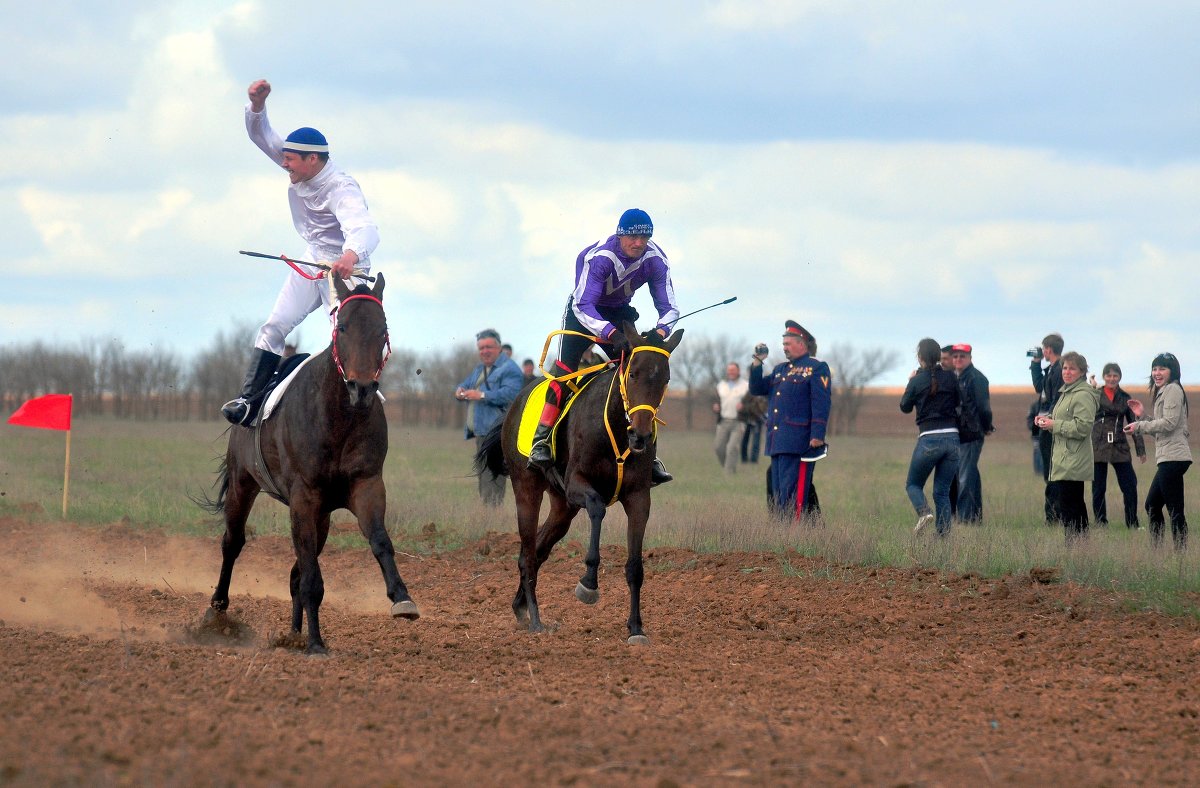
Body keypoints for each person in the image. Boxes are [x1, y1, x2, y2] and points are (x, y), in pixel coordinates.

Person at [221, 78, 380, 425]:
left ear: (313, 159)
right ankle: (249, 402)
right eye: (285, 160)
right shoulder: (299, 162)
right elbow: (261, 136)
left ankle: (360, 402)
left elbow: (364, 228)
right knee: (274, 325)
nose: (285, 166)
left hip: (347, 272)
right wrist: (257, 106)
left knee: (344, 339)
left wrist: (350, 257)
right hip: (312, 261)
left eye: (291, 161)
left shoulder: (342, 187)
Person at [527, 209, 679, 486]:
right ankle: (542, 439)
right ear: (620, 234)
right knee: (563, 372)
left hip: (619, 313)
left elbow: (669, 308)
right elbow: (583, 305)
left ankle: (648, 453)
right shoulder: (601, 259)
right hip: (583, 313)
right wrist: (609, 333)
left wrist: (659, 332)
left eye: (644, 237)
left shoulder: (656, 260)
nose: (639, 243)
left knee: (639, 374)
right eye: (633, 237)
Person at [749, 321, 831, 522]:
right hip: (777, 441)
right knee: (778, 494)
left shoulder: (816, 368)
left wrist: (817, 435)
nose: (784, 347)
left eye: (788, 343)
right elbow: (757, 388)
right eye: (783, 343)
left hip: (798, 441)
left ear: (801, 344)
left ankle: (794, 535)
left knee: (793, 495)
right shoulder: (780, 370)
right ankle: (783, 532)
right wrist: (758, 362)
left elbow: (820, 403)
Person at [1125, 352, 1192, 550]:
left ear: (1173, 371)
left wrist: (1138, 426)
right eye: (1154, 368)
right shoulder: (1166, 391)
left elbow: (1169, 424)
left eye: (1162, 368)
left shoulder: (1172, 389)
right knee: (1153, 505)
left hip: (1173, 457)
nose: (1157, 373)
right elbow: (1161, 431)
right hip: (1169, 457)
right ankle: (1158, 552)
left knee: (1173, 509)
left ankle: (1180, 554)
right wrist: (1142, 416)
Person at [899, 338, 961, 536]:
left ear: (920, 358)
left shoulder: (917, 380)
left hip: (929, 439)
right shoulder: (951, 377)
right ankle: (943, 539)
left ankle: (924, 512)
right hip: (952, 439)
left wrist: (910, 381)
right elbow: (961, 401)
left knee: (913, 485)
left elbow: (905, 407)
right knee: (942, 492)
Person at [1035, 351, 1098, 542]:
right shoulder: (1066, 391)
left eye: (1072, 368)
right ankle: (1078, 548)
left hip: (1074, 457)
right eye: (1064, 367)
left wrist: (1054, 425)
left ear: (1082, 372)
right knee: (1072, 504)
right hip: (1064, 457)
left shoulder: (1083, 394)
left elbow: (1083, 427)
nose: (1067, 372)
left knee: (1071, 506)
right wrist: (1047, 420)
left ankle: (1076, 547)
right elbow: (1064, 419)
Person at [456, 329, 523, 506]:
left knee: (493, 474)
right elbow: (466, 384)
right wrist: (460, 391)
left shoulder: (510, 368)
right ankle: (488, 514)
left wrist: (483, 396)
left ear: (499, 347)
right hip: (481, 431)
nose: (484, 351)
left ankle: (492, 515)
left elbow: (512, 394)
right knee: (483, 474)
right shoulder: (480, 368)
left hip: (496, 432)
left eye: (488, 347)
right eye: (481, 348)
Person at [1090, 363, 1147, 528]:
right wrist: (1091, 390)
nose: (1111, 378)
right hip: (1098, 444)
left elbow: (1134, 425)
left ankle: (1132, 523)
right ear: (1103, 377)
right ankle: (1101, 523)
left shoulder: (1125, 398)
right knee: (1098, 488)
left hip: (1119, 445)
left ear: (1119, 377)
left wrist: (1140, 450)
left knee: (1130, 485)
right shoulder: (1096, 395)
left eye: (1115, 375)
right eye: (1108, 375)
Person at [950, 344, 993, 523]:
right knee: (969, 475)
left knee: (965, 476)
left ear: (970, 357)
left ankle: (966, 518)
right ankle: (973, 517)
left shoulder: (976, 378)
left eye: (962, 356)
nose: (958, 359)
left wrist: (986, 426)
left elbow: (984, 407)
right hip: (960, 433)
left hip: (972, 433)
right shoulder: (956, 377)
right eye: (956, 356)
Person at [1031, 333, 1066, 522]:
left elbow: (1056, 399)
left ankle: (1054, 515)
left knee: (1053, 472)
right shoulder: (1052, 369)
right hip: (1047, 426)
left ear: (1048, 349)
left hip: (1052, 427)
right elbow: (1040, 388)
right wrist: (1036, 364)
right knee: (1049, 472)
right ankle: (1053, 514)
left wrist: (1049, 418)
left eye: (1043, 349)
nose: (1042, 351)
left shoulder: (1059, 370)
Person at [713, 362, 749, 474]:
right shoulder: (721, 386)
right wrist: (716, 406)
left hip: (738, 422)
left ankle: (728, 475)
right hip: (723, 421)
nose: (731, 372)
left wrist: (744, 407)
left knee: (732, 448)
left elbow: (753, 404)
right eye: (729, 370)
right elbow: (716, 400)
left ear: (738, 371)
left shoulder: (746, 386)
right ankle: (729, 468)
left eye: (733, 370)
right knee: (718, 448)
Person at [739, 391, 768, 463]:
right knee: (745, 439)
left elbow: (765, 408)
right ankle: (744, 458)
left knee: (756, 441)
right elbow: (743, 405)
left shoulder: (765, 394)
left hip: (758, 420)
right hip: (748, 419)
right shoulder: (750, 392)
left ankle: (754, 460)